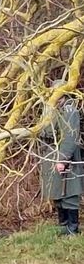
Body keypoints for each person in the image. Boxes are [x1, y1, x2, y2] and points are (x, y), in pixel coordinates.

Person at [39, 80, 82, 235]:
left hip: (65, 157)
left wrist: (62, 159)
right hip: (51, 153)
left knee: (69, 193)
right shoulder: (53, 109)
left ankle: (72, 229)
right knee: (56, 192)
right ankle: (63, 225)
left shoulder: (69, 111)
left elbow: (70, 136)